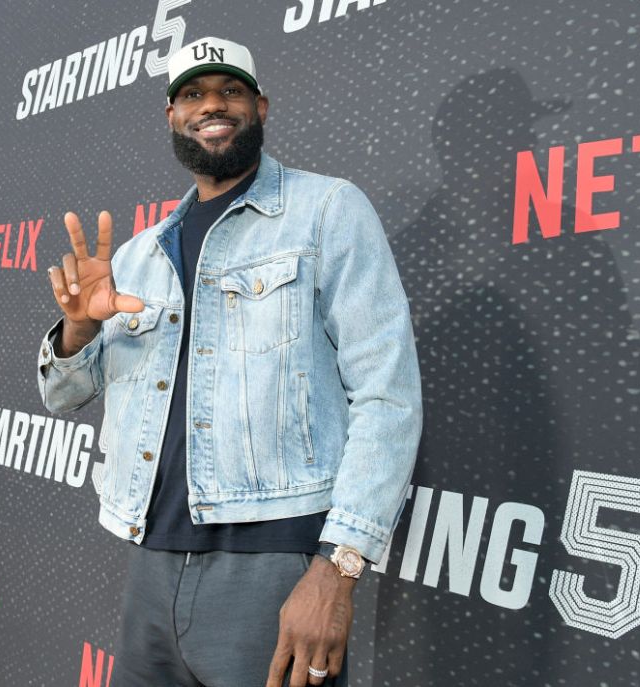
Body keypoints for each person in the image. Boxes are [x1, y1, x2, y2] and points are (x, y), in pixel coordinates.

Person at [38, 36, 422, 687]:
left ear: (260, 106)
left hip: (277, 572)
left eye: (229, 91)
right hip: (152, 567)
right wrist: (77, 329)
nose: (211, 105)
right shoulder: (138, 255)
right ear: (171, 115)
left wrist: (335, 567)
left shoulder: (328, 211)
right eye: (192, 93)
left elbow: (389, 397)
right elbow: (63, 395)